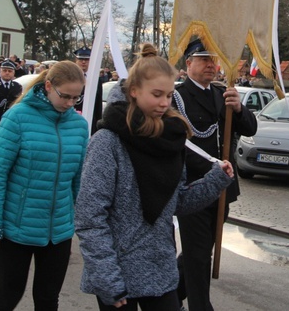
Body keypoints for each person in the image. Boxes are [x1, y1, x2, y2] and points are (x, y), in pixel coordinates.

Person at [75, 43, 235, 310]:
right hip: (117, 272)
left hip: (159, 270)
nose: (164, 104)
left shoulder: (170, 139)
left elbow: (176, 202)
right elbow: (90, 218)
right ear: (134, 92)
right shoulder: (107, 141)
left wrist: (215, 181)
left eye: (170, 96)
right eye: (157, 95)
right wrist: (107, 278)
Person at [0, 60, 89, 310]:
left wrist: (80, 219)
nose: (70, 103)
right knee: (9, 294)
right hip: (15, 228)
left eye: (76, 98)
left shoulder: (79, 126)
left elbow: (78, 179)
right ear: (48, 86)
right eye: (65, 96)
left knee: (48, 298)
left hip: (58, 230)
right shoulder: (17, 117)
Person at [173, 38, 257, 311]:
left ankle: (169, 296)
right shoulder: (177, 97)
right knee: (198, 257)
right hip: (194, 189)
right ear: (188, 63)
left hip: (222, 189)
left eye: (214, 60)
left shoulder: (223, 93)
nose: (211, 65)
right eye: (203, 59)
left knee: (201, 251)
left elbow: (249, 129)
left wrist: (240, 108)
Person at [73, 46, 103, 135]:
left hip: (91, 121)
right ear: (76, 61)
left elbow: (98, 104)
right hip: (74, 119)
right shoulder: (71, 77)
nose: (83, 62)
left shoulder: (96, 80)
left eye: (87, 60)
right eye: (81, 59)